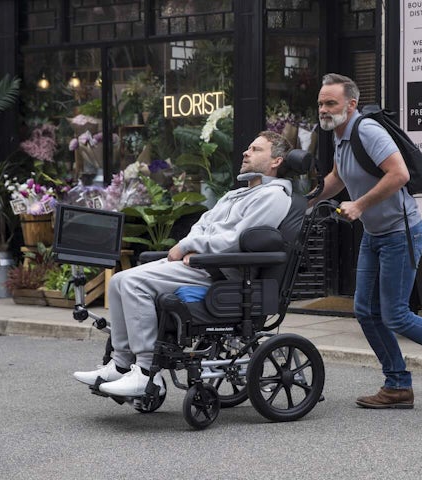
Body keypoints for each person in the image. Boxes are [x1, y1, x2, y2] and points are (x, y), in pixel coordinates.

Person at [313, 73, 422, 409]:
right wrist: (303, 203)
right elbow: (337, 178)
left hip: (400, 231)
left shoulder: (367, 130)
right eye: (321, 103)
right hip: (375, 234)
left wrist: (359, 204)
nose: (324, 109)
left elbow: (400, 174)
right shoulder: (340, 135)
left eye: (331, 103)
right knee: (365, 310)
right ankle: (397, 385)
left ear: (351, 105)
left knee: (396, 314)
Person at [73, 131, 294, 397]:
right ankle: (120, 364)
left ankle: (145, 373)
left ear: (276, 161)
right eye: (249, 147)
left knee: (133, 283)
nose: (247, 152)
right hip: (201, 262)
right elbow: (201, 225)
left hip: (221, 272)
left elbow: (234, 240)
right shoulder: (237, 194)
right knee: (120, 280)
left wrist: (192, 248)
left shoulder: (273, 196)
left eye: (257, 149)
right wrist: (188, 246)